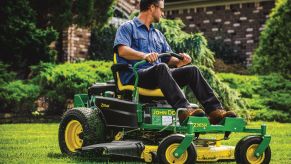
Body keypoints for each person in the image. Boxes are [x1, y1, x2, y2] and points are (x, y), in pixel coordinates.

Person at [113, 0, 236, 124]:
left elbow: (168, 59)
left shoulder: (158, 35)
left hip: (158, 75)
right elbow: (122, 50)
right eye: (161, 9)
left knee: (192, 70)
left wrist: (179, 61)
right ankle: (183, 110)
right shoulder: (128, 27)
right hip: (135, 76)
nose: (163, 14)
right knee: (161, 68)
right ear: (151, 7)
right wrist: (144, 55)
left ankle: (215, 111)